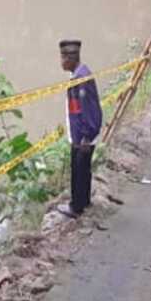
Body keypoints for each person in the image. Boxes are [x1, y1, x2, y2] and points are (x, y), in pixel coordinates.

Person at [57, 40, 102, 218]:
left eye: (61, 58)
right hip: (80, 134)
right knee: (83, 170)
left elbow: (87, 108)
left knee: (78, 171)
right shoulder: (79, 74)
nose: (60, 62)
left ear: (69, 58)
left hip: (83, 136)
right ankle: (84, 201)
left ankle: (76, 207)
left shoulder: (80, 79)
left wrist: (85, 136)